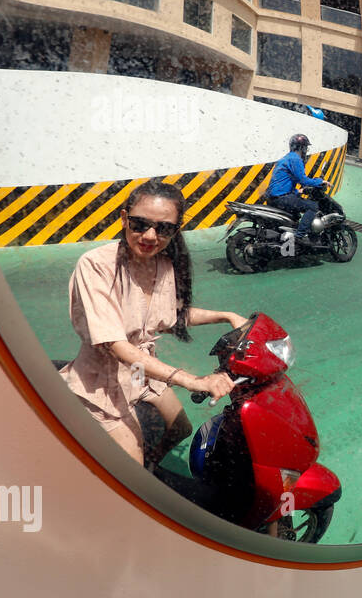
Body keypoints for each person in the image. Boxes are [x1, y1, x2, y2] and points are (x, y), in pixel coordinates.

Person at [59, 180, 249, 470]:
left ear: (175, 231)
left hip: (140, 373)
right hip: (103, 382)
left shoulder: (163, 265)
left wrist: (227, 316)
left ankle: (151, 470)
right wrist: (194, 381)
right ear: (124, 219)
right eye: (139, 224)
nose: (150, 235)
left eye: (163, 228)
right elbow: (116, 345)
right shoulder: (96, 265)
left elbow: (170, 315)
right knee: (131, 474)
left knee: (180, 429)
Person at [265, 134, 329, 244]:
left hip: (273, 197)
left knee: (295, 214)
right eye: (305, 147)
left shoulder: (286, 158)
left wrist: (297, 191)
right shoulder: (295, 159)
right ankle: (299, 236)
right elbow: (303, 180)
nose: (306, 150)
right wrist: (320, 181)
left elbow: (282, 182)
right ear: (301, 148)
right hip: (282, 198)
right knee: (313, 206)